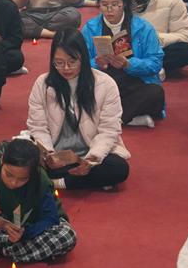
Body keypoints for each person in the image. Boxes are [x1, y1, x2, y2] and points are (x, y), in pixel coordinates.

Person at [27, 29, 131, 190]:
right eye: (59, 62)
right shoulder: (43, 84)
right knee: (21, 160)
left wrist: (91, 160)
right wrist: (49, 155)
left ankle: (60, 182)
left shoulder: (105, 84)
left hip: (91, 154)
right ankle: (81, 181)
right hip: (56, 156)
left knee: (118, 168)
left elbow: (109, 130)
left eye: (72, 61)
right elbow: (37, 127)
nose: (66, 68)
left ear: (83, 58)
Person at [0, 138, 76, 263]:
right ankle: (19, 250)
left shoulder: (41, 179)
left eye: (22, 179)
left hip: (38, 227)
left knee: (67, 236)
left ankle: (1, 251)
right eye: (9, 175)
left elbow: (50, 219)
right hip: (10, 224)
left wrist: (25, 234)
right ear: (2, 161)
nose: (13, 183)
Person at [80, 0, 165, 127]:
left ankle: (107, 118)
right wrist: (97, 63)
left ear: (124, 3)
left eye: (115, 4)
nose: (109, 9)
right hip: (103, 83)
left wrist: (129, 64)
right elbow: (80, 63)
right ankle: (128, 118)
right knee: (80, 91)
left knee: (155, 93)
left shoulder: (143, 27)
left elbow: (156, 62)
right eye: (104, 4)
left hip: (135, 83)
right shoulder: (90, 28)